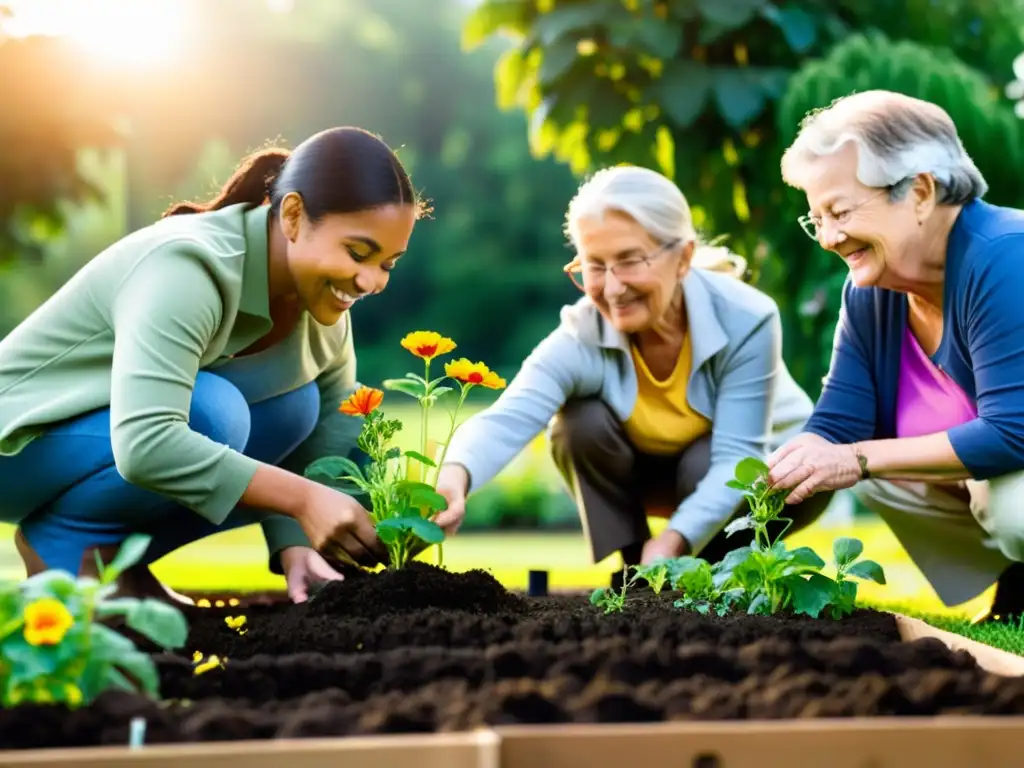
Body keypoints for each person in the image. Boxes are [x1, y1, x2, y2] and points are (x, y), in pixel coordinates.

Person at [0, 127, 425, 604]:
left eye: (388, 263)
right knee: (213, 413)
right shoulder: (188, 266)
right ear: (292, 215)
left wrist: (296, 543)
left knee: (299, 410)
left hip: (93, 448)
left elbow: (331, 430)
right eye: (358, 253)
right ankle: (71, 545)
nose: (370, 281)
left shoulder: (321, 308)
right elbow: (147, 444)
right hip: (17, 444)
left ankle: (122, 562)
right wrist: (304, 500)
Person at [432, 165, 831, 580]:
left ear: (683, 259)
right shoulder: (583, 335)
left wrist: (674, 539)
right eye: (594, 266)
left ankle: (710, 573)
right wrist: (454, 477)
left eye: (629, 261)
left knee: (703, 461)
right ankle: (636, 572)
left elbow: (736, 459)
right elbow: (507, 418)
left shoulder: (746, 317)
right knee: (578, 424)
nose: (612, 287)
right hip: (658, 475)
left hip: (773, 480)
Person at [764, 90, 1024, 624]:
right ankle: (1017, 583)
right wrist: (788, 468)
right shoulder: (872, 292)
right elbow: (838, 422)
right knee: (867, 464)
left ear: (921, 191)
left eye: (839, 211)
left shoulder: (1004, 257)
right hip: (996, 475)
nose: (829, 238)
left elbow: (1014, 431)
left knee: (1013, 506)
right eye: (817, 219)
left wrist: (855, 458)